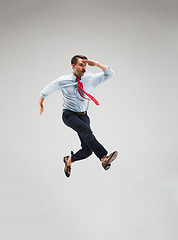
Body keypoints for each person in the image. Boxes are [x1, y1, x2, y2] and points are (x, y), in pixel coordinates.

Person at [39, 55, 118, 177]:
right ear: (73, 66)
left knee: (87, 151)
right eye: (81, 64)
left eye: (85, 65)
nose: (84, 67)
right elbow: (47, 89)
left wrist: (95, 63)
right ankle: (103, 157)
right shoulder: (63, 80)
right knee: (86, 130)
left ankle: (69, 160)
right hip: (69, 115)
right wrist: (41, 101)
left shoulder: (90, 78)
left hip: (84, 116)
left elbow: (110, 73)